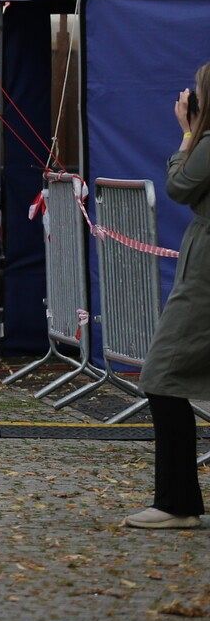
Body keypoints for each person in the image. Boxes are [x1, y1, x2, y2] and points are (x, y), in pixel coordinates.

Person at [125, 65, 210, 529]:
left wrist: (187, 134)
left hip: (205, 276)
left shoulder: (206, 144)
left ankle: (177, 502)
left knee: (162, 374)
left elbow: (180, 185)